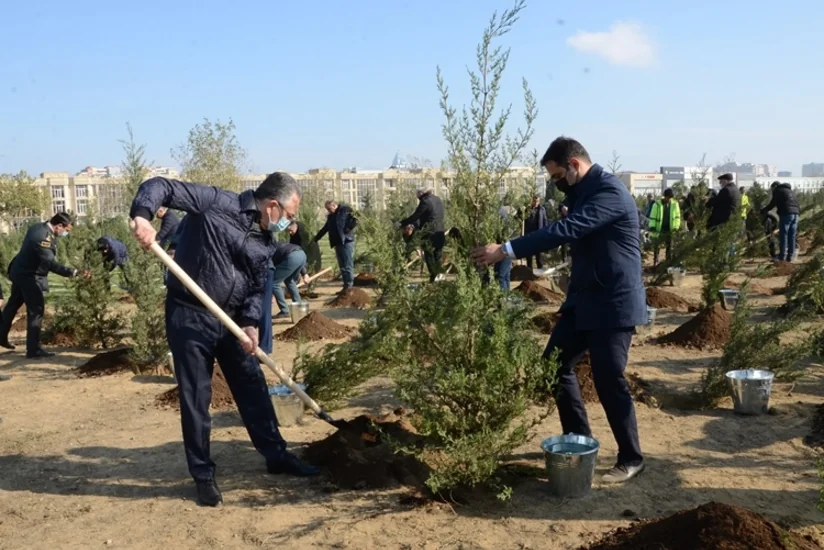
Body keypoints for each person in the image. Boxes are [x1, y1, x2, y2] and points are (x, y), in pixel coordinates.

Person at [130, 172, 319, 508]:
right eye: (289, 215)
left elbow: (257, 285)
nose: (289, 222)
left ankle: (276, 455)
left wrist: (249, 323)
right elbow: (163, 186)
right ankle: (203, 476)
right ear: (272, 206)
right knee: (196, 397)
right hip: (189, 314)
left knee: (252, 384)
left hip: (230, 320)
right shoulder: (217, 203)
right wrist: (143, 216)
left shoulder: (265, 241)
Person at [471, 137, 646, 483]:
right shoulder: (583, 193)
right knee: (555, 365)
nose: (556, 184)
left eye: (557, 177)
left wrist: (506, 249)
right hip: (584, 302)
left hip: (614, 303)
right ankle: (579, 439)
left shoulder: (609, 193)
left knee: (609, 379)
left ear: (575, 166)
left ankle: (631, 457)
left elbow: (565, 231)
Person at [0, 213, 79, 358]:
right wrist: (73, 272)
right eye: (66, 230)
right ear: (58, 225)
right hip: (28, 276)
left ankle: (1, 336)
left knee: (12, 305)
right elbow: (50, 264)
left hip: (19, 270)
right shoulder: (43, 238)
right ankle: (33, 349)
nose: (65, 233)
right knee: (36, 310)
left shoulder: (38, 227)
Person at [399, 188, 446, 283]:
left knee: (429, 255)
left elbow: (416, 216)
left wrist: (402, 223)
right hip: (440, 231)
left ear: (421, 193)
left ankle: (434, 277)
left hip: (429, 232)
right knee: (438, 254)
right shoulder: (438, 199)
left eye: (417, 194)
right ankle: (439, 277)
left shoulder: (425, 201)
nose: (417, 196)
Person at [311, 201, 357, 292]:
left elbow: (355, 219)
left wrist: (348, 229)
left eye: (329, 209)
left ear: (334, 205)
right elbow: (325, 228)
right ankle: (345, 286)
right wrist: (316, 238)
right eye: (327, 209)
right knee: (342, 266)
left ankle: (350, 286)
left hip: (346, 241)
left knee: (347, 265)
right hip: (337, 242)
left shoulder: (345, 210)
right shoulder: (331, 217)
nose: (329, 211)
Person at [760, 180, 800, 262]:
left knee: (783, 234)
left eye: (772, 189)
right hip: (796, 214)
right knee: (791, 235)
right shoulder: (790, 191)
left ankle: (782, 257)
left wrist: (763, 211)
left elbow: (772, 203)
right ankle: (790, 256)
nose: (772, 191)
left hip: (786, 214)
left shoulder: (778, 191)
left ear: (774, 187)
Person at [271, 243, 311, 319]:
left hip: (291, 257)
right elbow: (296, 255)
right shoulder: (275, 245)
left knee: (274, 283)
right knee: (289, 280)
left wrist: (271, 294)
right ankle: (298, 305)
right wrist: (305, 274)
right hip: (302, 254)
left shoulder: (266, 250)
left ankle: (285, 310)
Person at [648, 188, 681, 266]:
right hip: (659, 229)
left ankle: (668, 261)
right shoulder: (657, 204)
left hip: (670, 229)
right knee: (657, 245)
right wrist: (652, 226)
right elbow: (653, 216)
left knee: (669, 245)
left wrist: (676, 227)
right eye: (668, 197)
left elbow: (677, 217)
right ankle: (656, 261)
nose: (669, 199)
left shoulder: (675, 204)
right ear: (664, 196)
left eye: (670, 198)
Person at [524, 194, 548, 269]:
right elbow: (519, 217)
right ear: (532, 201)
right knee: (529, 255)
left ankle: (540, 271)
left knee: (539, 255)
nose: (536, 203)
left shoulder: (542, 209)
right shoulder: (527, 209)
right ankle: (529, 271)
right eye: (534, 201)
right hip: (529, 234)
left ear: (539, 201)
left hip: (538, 234)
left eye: (537, 201)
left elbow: (545, 221)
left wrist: (545, 233)